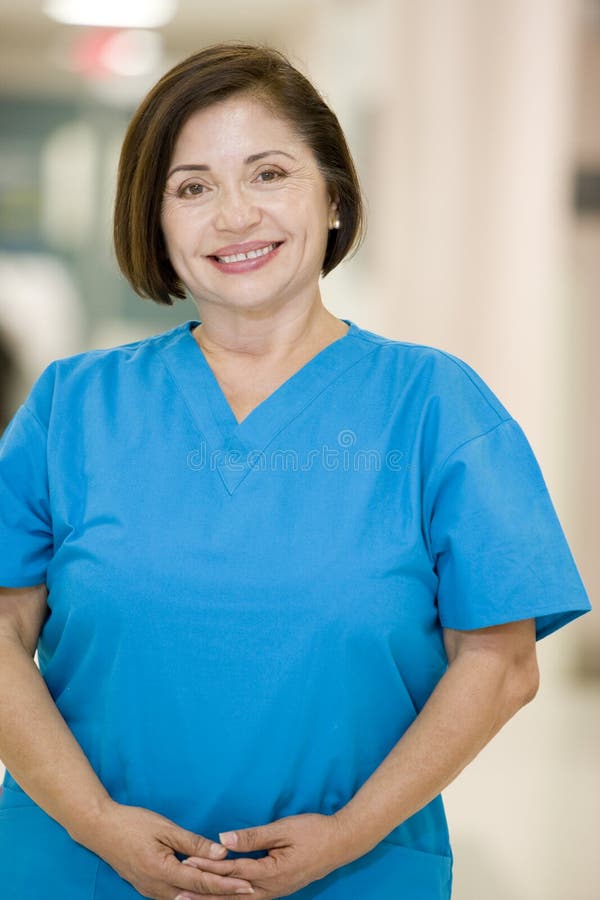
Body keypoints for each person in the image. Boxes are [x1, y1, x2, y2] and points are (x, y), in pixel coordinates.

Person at [0, 42, 591, 900]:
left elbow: (499, 664)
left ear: (335, 196)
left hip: (356, 874)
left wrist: (346, 838)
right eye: (192, 186)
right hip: (79, 870)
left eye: (269, 174)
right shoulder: (72, 407)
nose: (234, 216)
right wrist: (95, 823)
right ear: (155, 222)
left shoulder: (434, 407)